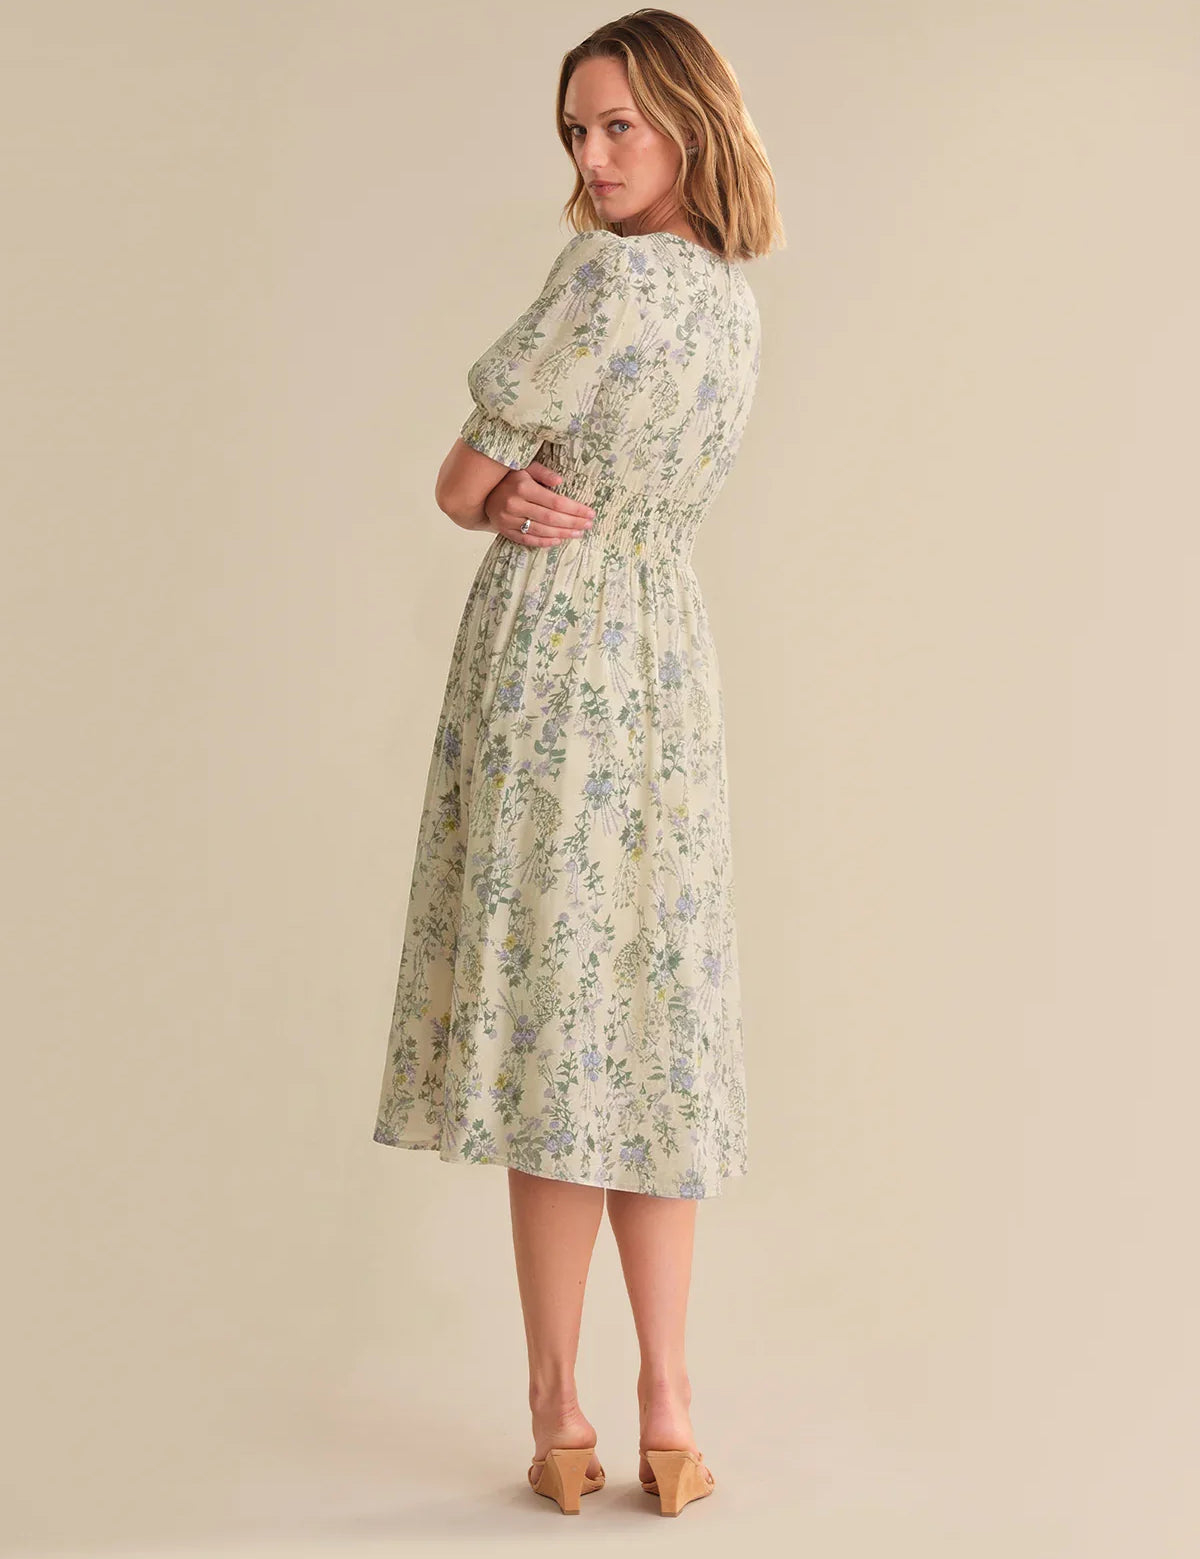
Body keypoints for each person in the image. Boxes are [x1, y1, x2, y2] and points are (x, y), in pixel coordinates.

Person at [371, 7, 782, 1516]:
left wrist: (500, 503)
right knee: (653, 1015)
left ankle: (559, 1411)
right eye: (574, 131)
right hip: (668, 663)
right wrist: (524, 495)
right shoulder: (735, 301)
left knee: (560, 1027)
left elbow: (462, 477)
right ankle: (672, 1408)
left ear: (688, 121)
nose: (592, 158)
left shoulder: (604, 276)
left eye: (617, 125)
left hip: (557, 659)